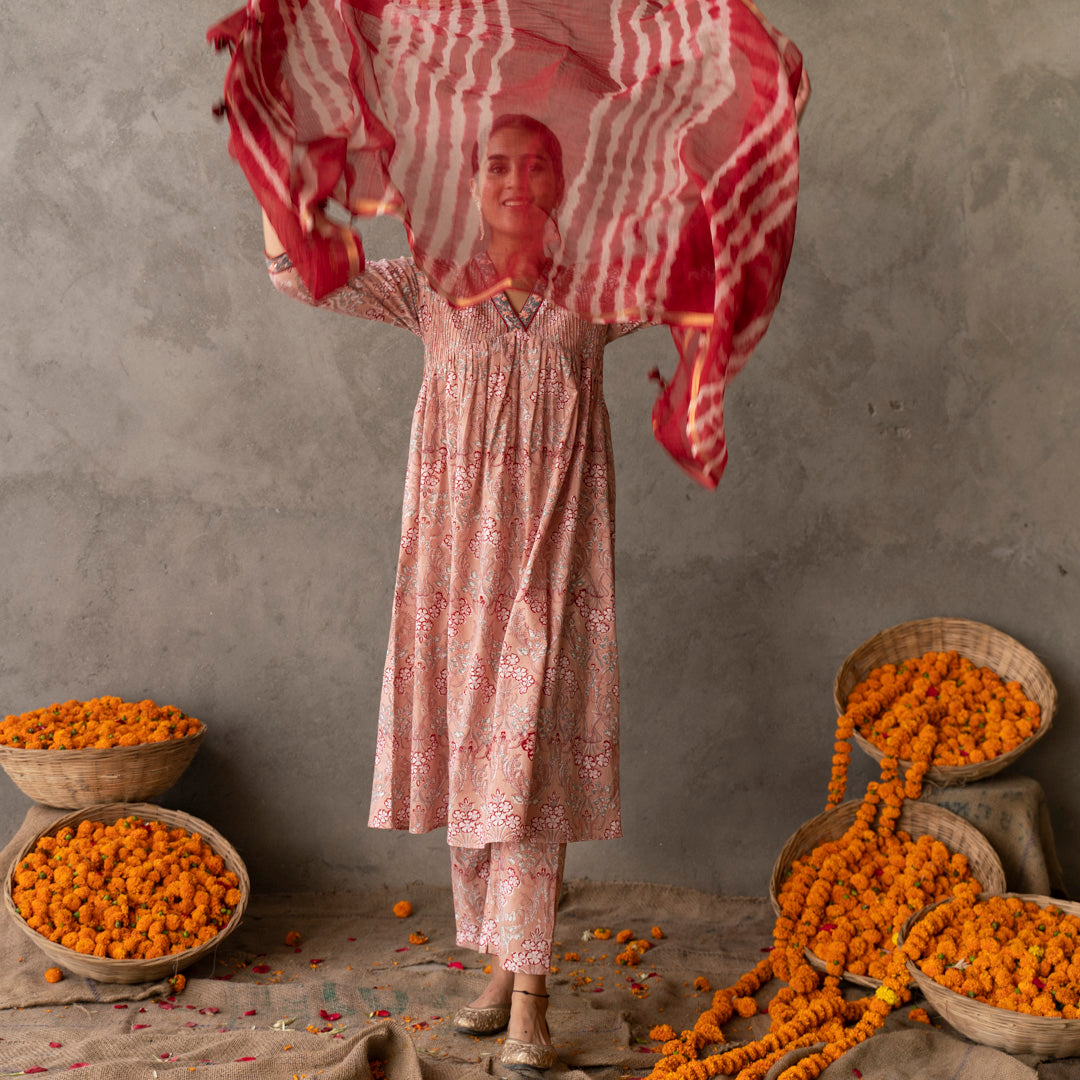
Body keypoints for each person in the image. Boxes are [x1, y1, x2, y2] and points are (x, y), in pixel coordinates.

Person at [260, 75, 808, 1077]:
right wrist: (282, 154)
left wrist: (768, 139)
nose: (516, 181)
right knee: (476, 768)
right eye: (495, 166)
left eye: (536, 164)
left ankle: (534, 1007)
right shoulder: (430, 283)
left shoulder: (598, 286)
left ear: (562, 183)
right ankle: (502, 972)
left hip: (554, 568)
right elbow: (303, 273)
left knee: (528, 773)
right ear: (469, 185)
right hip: (451, 570)